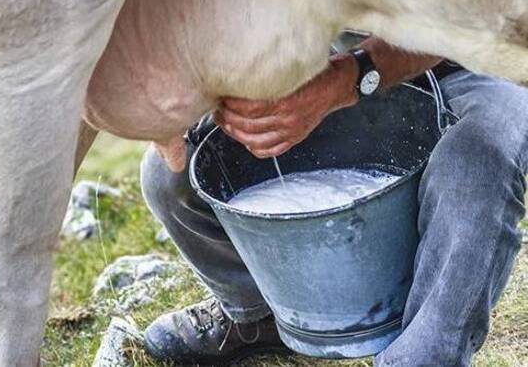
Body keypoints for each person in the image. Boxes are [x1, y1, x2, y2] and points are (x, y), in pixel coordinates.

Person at [140, 35, 527, 366]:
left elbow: (466, 17)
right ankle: (261, 315)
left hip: (486, 62)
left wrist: (349, 78)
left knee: (477, 163)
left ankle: (421, 356)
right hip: (339, 57)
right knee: (173, 172)